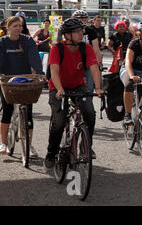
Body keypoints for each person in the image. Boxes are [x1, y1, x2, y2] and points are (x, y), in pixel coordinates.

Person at [43, 18, 103, 170]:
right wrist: (60, 90)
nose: (81, 33)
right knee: (60, 122)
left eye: (81, 31)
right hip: (58, 88)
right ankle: (51, 153)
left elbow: (94, 69)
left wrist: (97, 88)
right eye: (77, 31)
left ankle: (86, 147)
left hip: (78, 86)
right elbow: (54, 71)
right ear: (67, 35)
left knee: (89, 113)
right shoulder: (57, 48)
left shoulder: (86, 48)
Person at [0, 16, 43, 156]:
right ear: (8, 27)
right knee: (6, 110)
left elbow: (34, 57)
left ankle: (29, 146)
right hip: (7, 80)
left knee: (28, 113)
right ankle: (4, 142)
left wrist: (39, 73)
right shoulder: (2, 42)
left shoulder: (27, 40)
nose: (18, 28)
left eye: (20, 26)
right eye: (15, 26)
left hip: (25, 80)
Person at [72, 10, 102, 92]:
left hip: (88, 59)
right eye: (81, 19)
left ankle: (89, 100)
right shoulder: (70, 31)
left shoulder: (90, 31)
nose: (83, 21)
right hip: (74, 59)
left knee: (90, 85)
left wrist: (99, 63)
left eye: (85, 19)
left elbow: (96, 48)